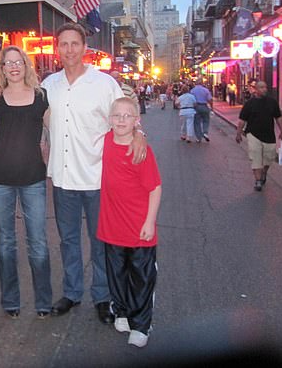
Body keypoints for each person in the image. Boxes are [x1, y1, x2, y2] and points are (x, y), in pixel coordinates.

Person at [41, 22, 147, 325]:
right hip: (63, 179)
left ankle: (102, 297)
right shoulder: (49, 85)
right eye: (64, 44)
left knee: (101, 241)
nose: (70, 50)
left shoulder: (103, 84)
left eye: (75, 44)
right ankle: (72, 293)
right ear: (57, 48)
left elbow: (124, 115)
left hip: (99, 177)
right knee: (68, 240)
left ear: (84, 48)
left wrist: (138, 132)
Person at [0, 45, 52, 319]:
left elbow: (62, 126)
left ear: (26, 65)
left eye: (18, 62)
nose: (13, 66)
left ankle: (43, 302)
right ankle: (10, 301)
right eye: (7, 63)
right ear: (1, 69)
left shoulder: (41, 96)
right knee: (5, 243)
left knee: (38, 243)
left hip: (33, 178)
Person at [97, 97, 162, 348]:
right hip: (111, 226)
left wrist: (150, 222)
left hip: (138, 227)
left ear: (137, 120)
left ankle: (141, 324)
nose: (121, 120)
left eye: (127, 116)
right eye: (117, 115)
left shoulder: (140, 149)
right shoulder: (104, 141)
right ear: (109, 119)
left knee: (142, 278)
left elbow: (155, 188)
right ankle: (122, 311)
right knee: (116, 273)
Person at [235, 80, 282, 191]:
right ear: (256, 90)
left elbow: (278, 117)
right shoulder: (249, 104)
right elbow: (242, 120)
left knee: (269, 157)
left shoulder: (272, 102)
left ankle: (264, 172)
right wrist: (238, 133)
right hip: (253, 134)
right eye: (261, 88)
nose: (264, 89)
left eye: (265, 87)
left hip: (269, 135)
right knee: (255, 156)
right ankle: (258, 180)